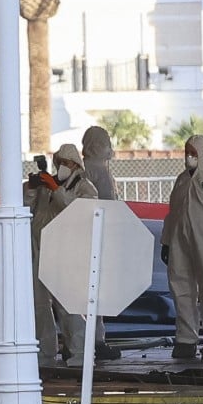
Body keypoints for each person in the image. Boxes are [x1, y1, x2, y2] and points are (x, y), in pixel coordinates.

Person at [25, 143, 98, 369]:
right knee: (40, 305)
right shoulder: (49, 185)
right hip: (41, 249)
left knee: (70, 305)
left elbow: (74, 210)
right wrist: (33, 186)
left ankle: (81, 354)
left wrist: (55, 188)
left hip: (67, 253)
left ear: (76, 164)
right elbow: (28, 206)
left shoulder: (86, 188)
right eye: (59, 163)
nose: (62, 167)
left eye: (66, 163)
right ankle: (45, 353)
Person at [160, 135, 203, 361]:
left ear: (202, 152)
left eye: (192, 152)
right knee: (181, 290)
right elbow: (171, 214)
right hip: (180, 243)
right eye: (186, 151)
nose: (188, 156)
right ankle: (186, 340)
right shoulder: (181, 180)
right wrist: (167, 241)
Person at [80, 126, 122, 361]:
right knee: (96, 292)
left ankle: (79, 338)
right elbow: (110, 206)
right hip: (98, 239)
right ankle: (96, 340)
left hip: (81, 237)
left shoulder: (83, 170)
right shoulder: (101, 173)